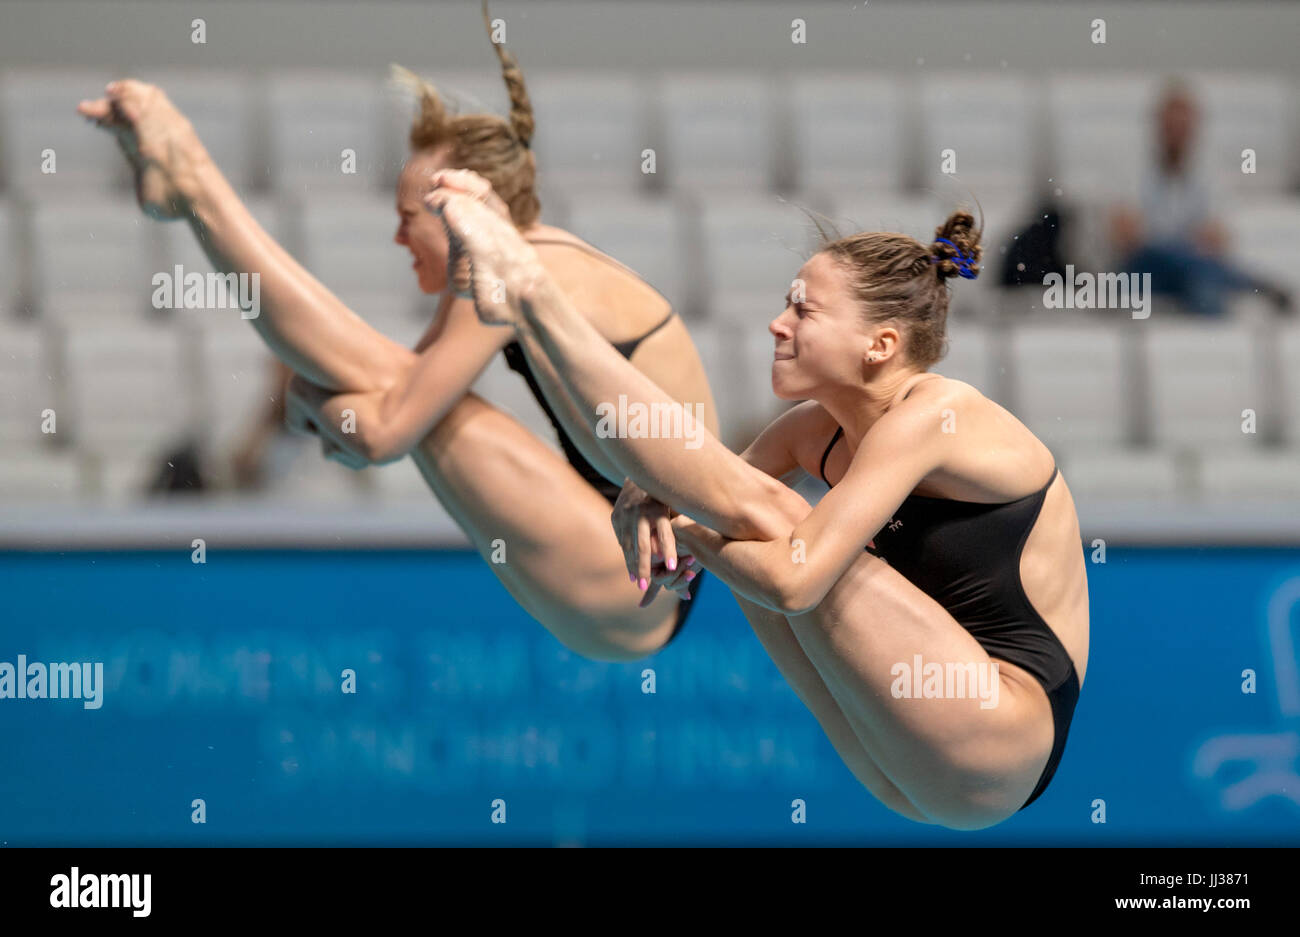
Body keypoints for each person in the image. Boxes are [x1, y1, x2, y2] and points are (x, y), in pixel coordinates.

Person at [428, 168, 1091, 830]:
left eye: (804, 310)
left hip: (1000, 729)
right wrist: (667, 499)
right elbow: (689, 475)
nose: (776, 324)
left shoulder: (937, 413)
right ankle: (530, 309)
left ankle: (533, 290)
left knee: (778, 526)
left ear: (881, 344)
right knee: (744, 510)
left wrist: (686, 523)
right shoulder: (814, 430)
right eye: (785, 304)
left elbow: (794, 579)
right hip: (904, 770)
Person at [77, 11, 716, 661]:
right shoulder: (509, 274)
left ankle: (196, 184)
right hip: (627, 574)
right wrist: (314, 400)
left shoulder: (521, 267)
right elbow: (371, 419)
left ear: (462, 205)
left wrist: (306, 395)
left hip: (637, 577)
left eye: (409, 217)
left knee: (428, 409)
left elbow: (382, 430)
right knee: (410, 393)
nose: (397, 238)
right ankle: (192, 186)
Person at [1111, 79, 1291, 317]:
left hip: (1189, 267)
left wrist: (1168, 239)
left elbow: (1217, 238)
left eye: (1182, 127)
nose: (1176, 133)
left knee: (1201, 284)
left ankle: (1215, 340)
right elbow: (1128, 238)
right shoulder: (1130, 167)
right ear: (1158, 127)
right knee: (1189, 265)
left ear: (1194, 128)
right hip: (1142, 270)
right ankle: (1250, 283)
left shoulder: (1209, 173)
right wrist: (1184, 243)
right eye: (1171, 127)